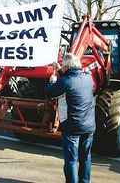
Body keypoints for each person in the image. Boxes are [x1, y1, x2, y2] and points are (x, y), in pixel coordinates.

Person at [45, 53, 96, 183]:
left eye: (63, 66)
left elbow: (49, 92)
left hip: (72, 126)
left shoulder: (64, 82)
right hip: (89, 125)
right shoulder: (88, 77)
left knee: (71, 161)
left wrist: (52, 80)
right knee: (85, 158)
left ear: (67, 67)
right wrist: (61, 70)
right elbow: (72, 81)